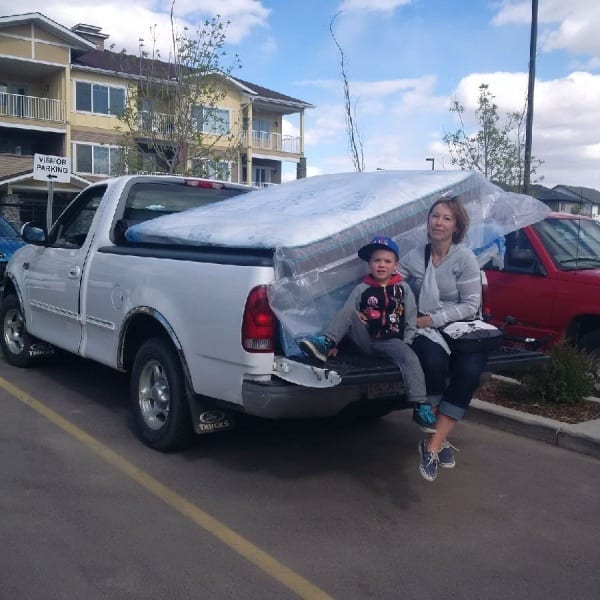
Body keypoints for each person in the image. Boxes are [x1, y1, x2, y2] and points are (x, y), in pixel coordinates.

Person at [297, 236, 437, 433]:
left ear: (395, 265)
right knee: (348, 312)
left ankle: (420, 405)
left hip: (391, 342)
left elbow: (410, 320)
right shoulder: (362, 289)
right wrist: (339, 343)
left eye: (387, 261)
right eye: (376, 260)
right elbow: (346, 318)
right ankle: (325, 343)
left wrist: (406, 343)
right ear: (369, 264)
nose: (381, 265)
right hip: (365, 340)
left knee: (411, 358)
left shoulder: (403, 289)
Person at [398, 195, 488, 482]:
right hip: (427, 330)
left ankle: (431, 444)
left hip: (462, 328)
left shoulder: (464, 258)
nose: (439, 222)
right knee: (433, 364)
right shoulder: (416, 257)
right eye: (435, 216)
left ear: (456, 226)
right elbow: (391, 280)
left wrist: (430, 318)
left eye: (446, 218)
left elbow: (470, 305)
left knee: (469, 372)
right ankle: (438, 440)